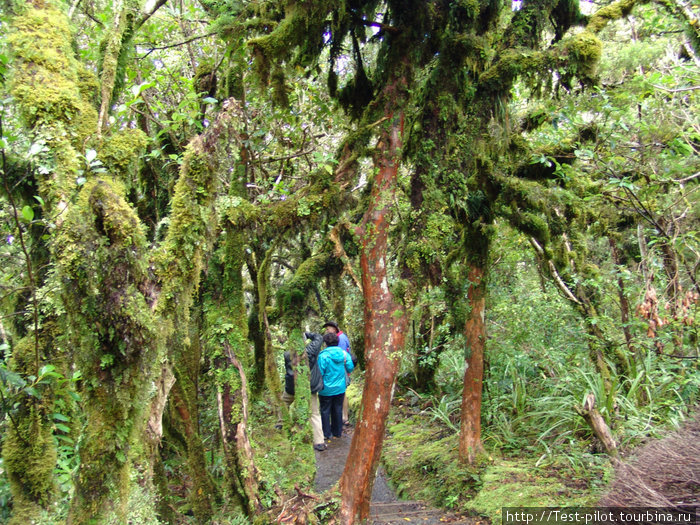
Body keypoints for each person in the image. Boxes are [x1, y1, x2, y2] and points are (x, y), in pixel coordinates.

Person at [282, 332, 327, 451]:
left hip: (292, 387)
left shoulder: (287, 355)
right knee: (314, 413)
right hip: (309, 386)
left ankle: (280, 425)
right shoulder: (310, 350)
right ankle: (319, 442)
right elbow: (319, 337)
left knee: (283, 404)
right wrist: (307, 334)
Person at [317, 331, 354, 441]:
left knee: (325, 410)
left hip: (325, 389)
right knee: (337, 409)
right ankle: (337, 432)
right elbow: (350, 368)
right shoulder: (344, 354)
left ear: (325, 343)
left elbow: (320, 372)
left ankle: (327, 433)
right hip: (340, 388)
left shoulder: (323, 356)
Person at [323, 321, 356, 424]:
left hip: (340, 371)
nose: (326, 331)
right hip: (341, 370)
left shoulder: (340, 339)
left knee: (341, 393)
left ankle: (343, 417)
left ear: (334, 329)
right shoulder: (341, 336)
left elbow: (341, 357)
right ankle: (342, 417)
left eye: (328, 329)